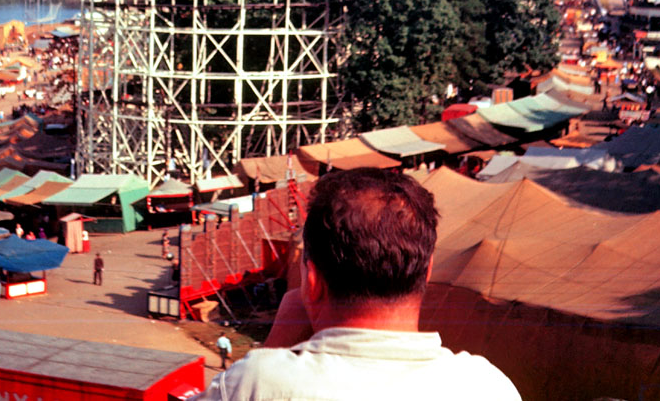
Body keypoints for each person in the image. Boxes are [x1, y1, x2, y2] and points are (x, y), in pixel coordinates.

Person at [194, 167, 520, 401]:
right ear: (427, 270)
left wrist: (273, 349)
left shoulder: (257, 384)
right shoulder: (487, 386)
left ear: (312, 280)